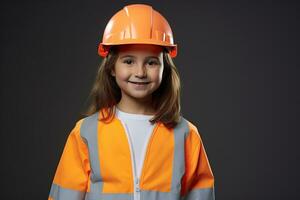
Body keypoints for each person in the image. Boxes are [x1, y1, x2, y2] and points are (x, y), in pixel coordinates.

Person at [48, 4, 215, 200]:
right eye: (128, 61)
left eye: (151, 62)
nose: (140, 72)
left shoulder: (186, 135)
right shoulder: (86, 132)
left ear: (164, 69)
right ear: (112, 67)